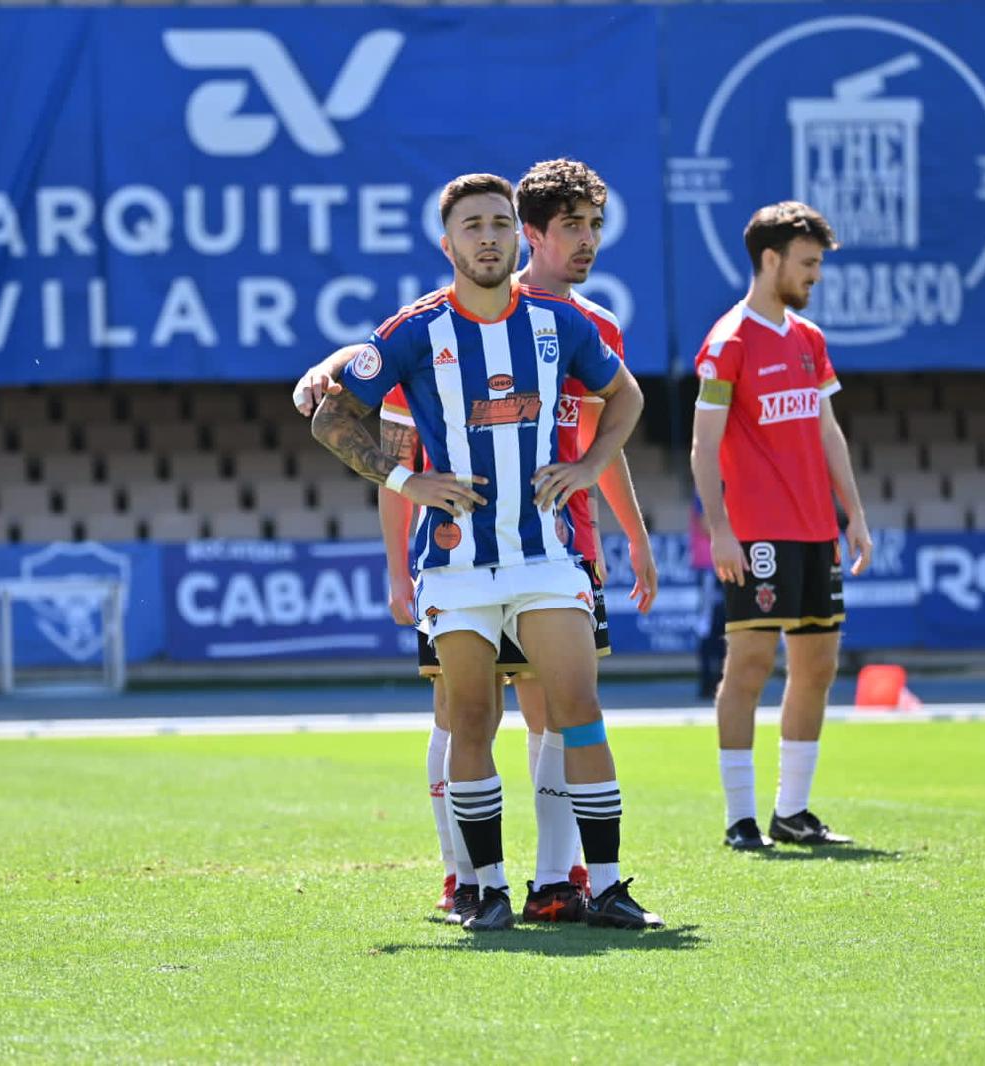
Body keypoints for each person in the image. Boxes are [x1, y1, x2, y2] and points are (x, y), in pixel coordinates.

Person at [296, 159, 660, 925]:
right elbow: (332, 417)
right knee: (469, 719)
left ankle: (606, 883)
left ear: (513, 235)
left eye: (499, 223)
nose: (487, 238)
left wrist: (590, 466)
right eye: (473, 226)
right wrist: (405, 485)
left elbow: (625, 394)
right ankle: (483, 888)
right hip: (456, 567)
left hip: (546, 558)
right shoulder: (413, 330)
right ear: (447, 242)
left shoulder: (561, 324)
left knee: (578, 708)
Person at [689, 201, 872, 852]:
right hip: (758, 533)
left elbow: (826, 430)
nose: (815, 275)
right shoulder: (729, 341)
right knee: (750, 666)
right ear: (771, 260)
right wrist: (721, 529)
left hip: (816, 530)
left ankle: (792, 813)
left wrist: (853, 515)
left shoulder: (808, 340)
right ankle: (741, 818)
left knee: (818, 665)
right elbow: (703, 447)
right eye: (808, 263)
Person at [689, 493, 727, 701]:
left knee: (725, 625)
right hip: (709, 567)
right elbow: (706, 525)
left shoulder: (725, 490)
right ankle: (706, 680)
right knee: (706, 624)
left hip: (723, 565)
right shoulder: (705, 490)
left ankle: (720, 679)